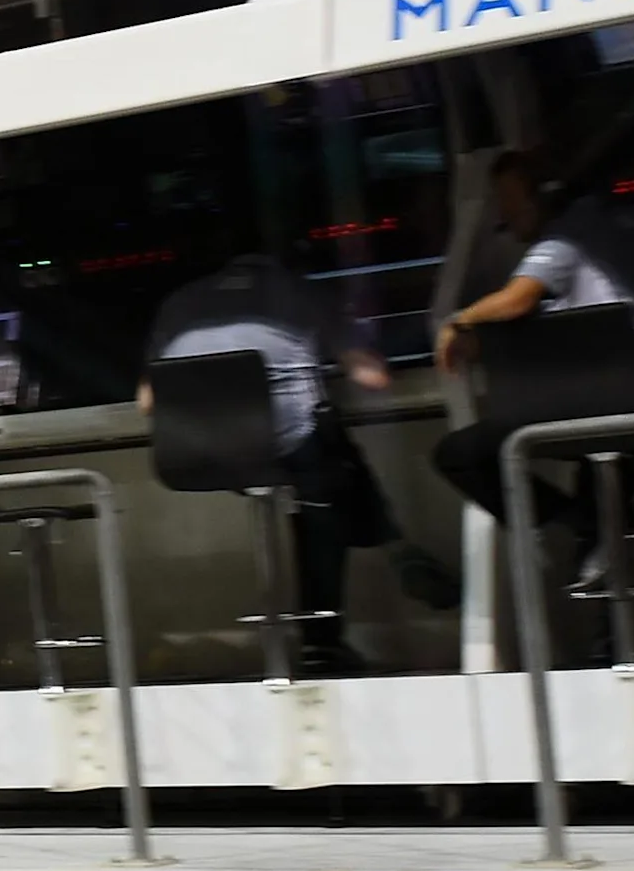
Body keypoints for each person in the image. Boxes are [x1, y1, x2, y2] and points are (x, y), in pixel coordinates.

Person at [143, 253, 456, 673]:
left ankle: (394, 551)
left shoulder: (178, 303)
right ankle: (332, 629)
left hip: (194, 455)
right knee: (323, 481)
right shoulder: (300, 291)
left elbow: (147, 401)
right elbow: (371, 376)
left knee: (326, 472)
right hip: (285, 447)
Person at [431, 151, 634, 580]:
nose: (504, 214)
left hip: (612, 407)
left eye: (510, 202)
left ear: (545, 196)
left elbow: (518, 298)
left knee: (460, 454)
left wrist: (458, 321)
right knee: (605, 500)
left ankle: (577, 524)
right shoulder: (630, 227)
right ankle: (600, 541)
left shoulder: (567, 240)